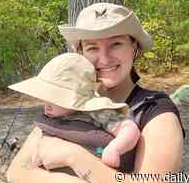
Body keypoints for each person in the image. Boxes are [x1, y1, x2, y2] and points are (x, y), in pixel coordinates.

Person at [7, 3, 185, 183]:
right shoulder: (69, 100)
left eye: (116, 44)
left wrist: (73, 156)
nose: (105, 58)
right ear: (81, 53)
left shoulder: (156, 112)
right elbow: (17, 171)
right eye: (92, 48)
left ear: (134, 47)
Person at [8, 52, 141, 169]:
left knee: (100, 150)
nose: (47, 107)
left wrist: (115, 149)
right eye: (45, 100)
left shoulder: (96, 112)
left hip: (98, 154)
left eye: (54, 100)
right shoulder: (52, 117)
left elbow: (129, 128)